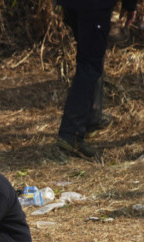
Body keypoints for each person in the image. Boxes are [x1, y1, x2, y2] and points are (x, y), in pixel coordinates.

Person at [56, 0, 139, 158]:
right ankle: (71, 133)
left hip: (72, 5)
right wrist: (130, 6)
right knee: (89, 64)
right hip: (94, 5)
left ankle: (91, 118)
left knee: (90, 56)